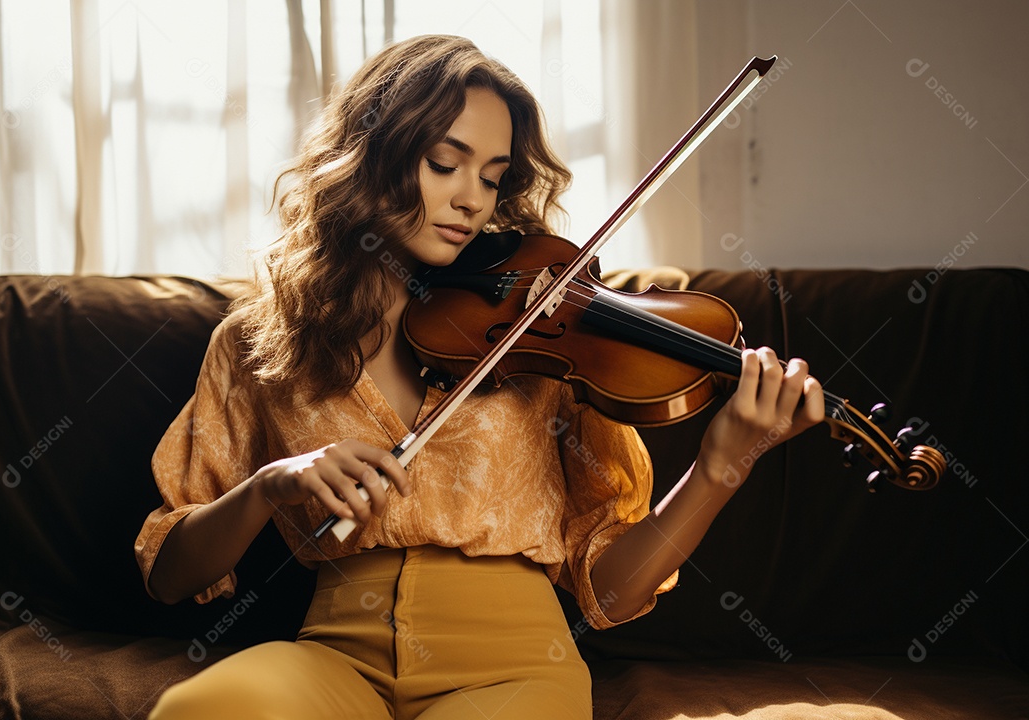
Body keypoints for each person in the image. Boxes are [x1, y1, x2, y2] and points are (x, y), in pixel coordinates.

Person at [135, 34, 824, 720]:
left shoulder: (546, 337)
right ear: (370, 155)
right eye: (445, 163)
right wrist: (268, 485)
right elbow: (171, 575)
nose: (472, 200)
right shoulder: (262, 341)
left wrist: (722, 466)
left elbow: (610, 594)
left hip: (514, 672)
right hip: (337, 661)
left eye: (492, 177)